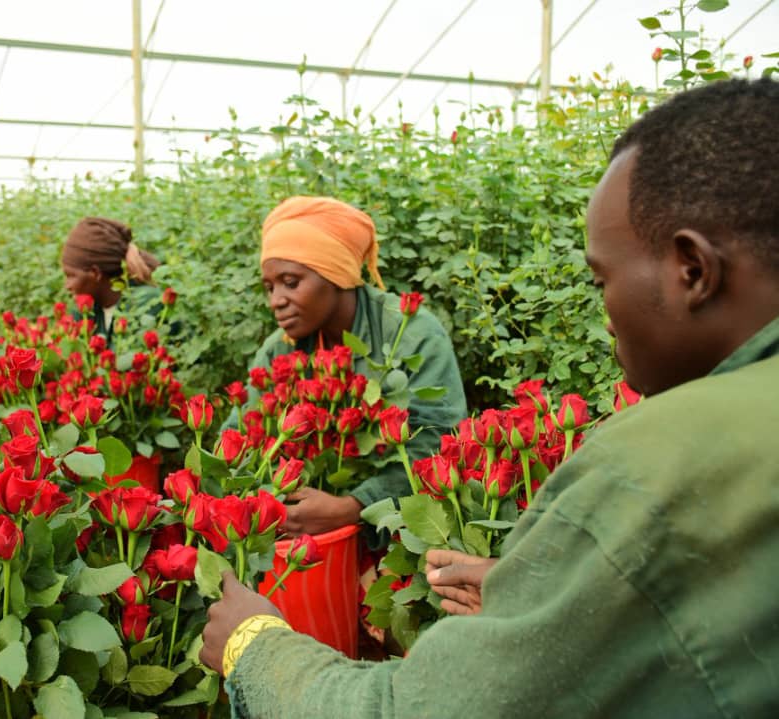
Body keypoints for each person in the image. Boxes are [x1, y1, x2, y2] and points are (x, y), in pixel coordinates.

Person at [200, 78, 779, 717]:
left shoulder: (651, 459)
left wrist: (255, 643)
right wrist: (536, 593)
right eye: (270, 285)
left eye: (600, 279)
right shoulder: (276, 354)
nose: (603, 313)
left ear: (692, 270)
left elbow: (423, 708)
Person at [247, 196, 467, 537]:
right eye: (270, 287)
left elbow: (440, 439)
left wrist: (355, 506)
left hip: (403, 533)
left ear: (334, 274)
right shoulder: (279, 350)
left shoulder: (410, 334)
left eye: (291, 282)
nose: (276, 300)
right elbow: (246, 432)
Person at [60, 217, 165, 344]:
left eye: (71, 276)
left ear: (95, 273)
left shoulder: (146, 302)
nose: (67, 286)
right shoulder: (88, 310)